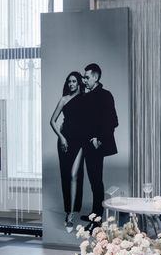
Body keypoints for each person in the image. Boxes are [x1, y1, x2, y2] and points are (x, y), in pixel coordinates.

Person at [80, 63, 118, 227]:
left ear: (96, 77)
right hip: (86, 145)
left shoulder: (105, 95)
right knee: (93, 180)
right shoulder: (87, 96)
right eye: (84, 77)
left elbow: (112, 121)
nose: (84, 80)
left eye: (87, 77)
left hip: (96, 145)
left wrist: (99, 139)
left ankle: (97, 218)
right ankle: (95, 214)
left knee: (96, 180)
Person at [50, 71, 85, 231]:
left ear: (79, 83)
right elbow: (52, 121)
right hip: (65, 141)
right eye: (69, 81)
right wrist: (62, 137)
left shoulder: (85, 98)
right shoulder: (64, 99)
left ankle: (71, 213)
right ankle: (69, 213)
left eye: (74, 81)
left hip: (80, 141)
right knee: (67, 176)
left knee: (74, 175)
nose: (71, 84)